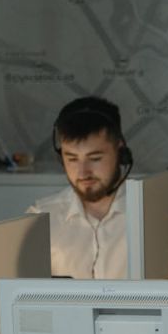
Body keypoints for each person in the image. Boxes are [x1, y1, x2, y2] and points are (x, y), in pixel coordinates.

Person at [27, 96, 133, 279]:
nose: (83, 172)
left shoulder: (151, 214)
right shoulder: (41, 219)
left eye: (95, 158)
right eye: (72, 159)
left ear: (120, 150)